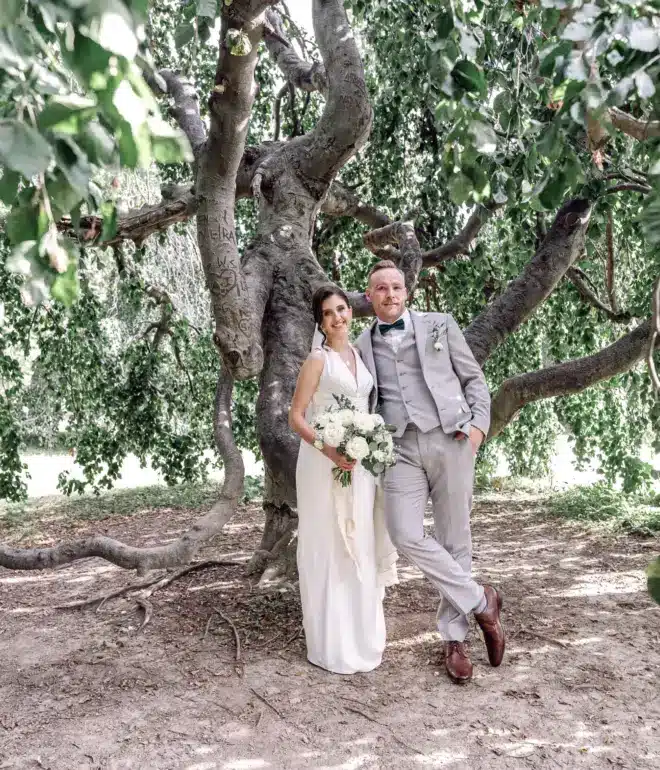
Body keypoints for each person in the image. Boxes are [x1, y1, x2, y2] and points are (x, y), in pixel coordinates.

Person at [355, 260, 505, 684]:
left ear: (407, 292)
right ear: (369, 297)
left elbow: (473, 378)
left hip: (451, 440)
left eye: (396, 287)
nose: (389, 294)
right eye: (380, 288)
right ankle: (481, 601)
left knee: (455, 537)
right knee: (404, 533)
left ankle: (454, 639)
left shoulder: (440, 324)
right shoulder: (361, 343)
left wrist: (477, 428)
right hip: (398, 446)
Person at [289, 285, 397, 675]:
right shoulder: (318, 359)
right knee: (330, 542)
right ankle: (331, 643)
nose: (337, 318)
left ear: (351, 312)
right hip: (323, 462)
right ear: (320, 322)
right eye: (328, 313)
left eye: (341, 309)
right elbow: (297, 417)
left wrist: (366, 443)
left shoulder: (360, 356)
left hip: (360, 463)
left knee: (361, 539)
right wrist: (330, 449)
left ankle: (363, 636)